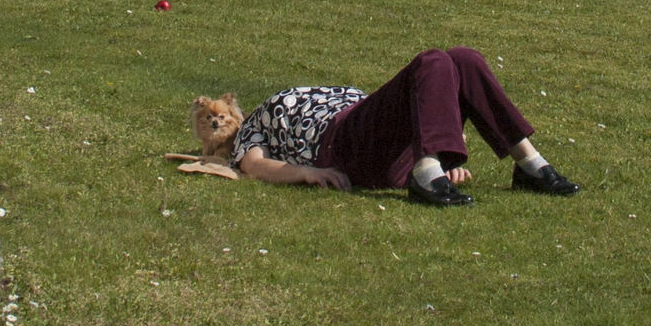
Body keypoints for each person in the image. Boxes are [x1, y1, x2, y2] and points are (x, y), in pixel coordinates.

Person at [230, 47, 580, 206]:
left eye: (223, 114)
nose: (220, 120)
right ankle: (427, 172)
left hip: (381, 138)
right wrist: (303, 173)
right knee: (434, 61)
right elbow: (254, 165)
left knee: (464, 58)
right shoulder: (260, 121)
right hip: (338, 142)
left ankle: (529, 164)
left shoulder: (285, 100)